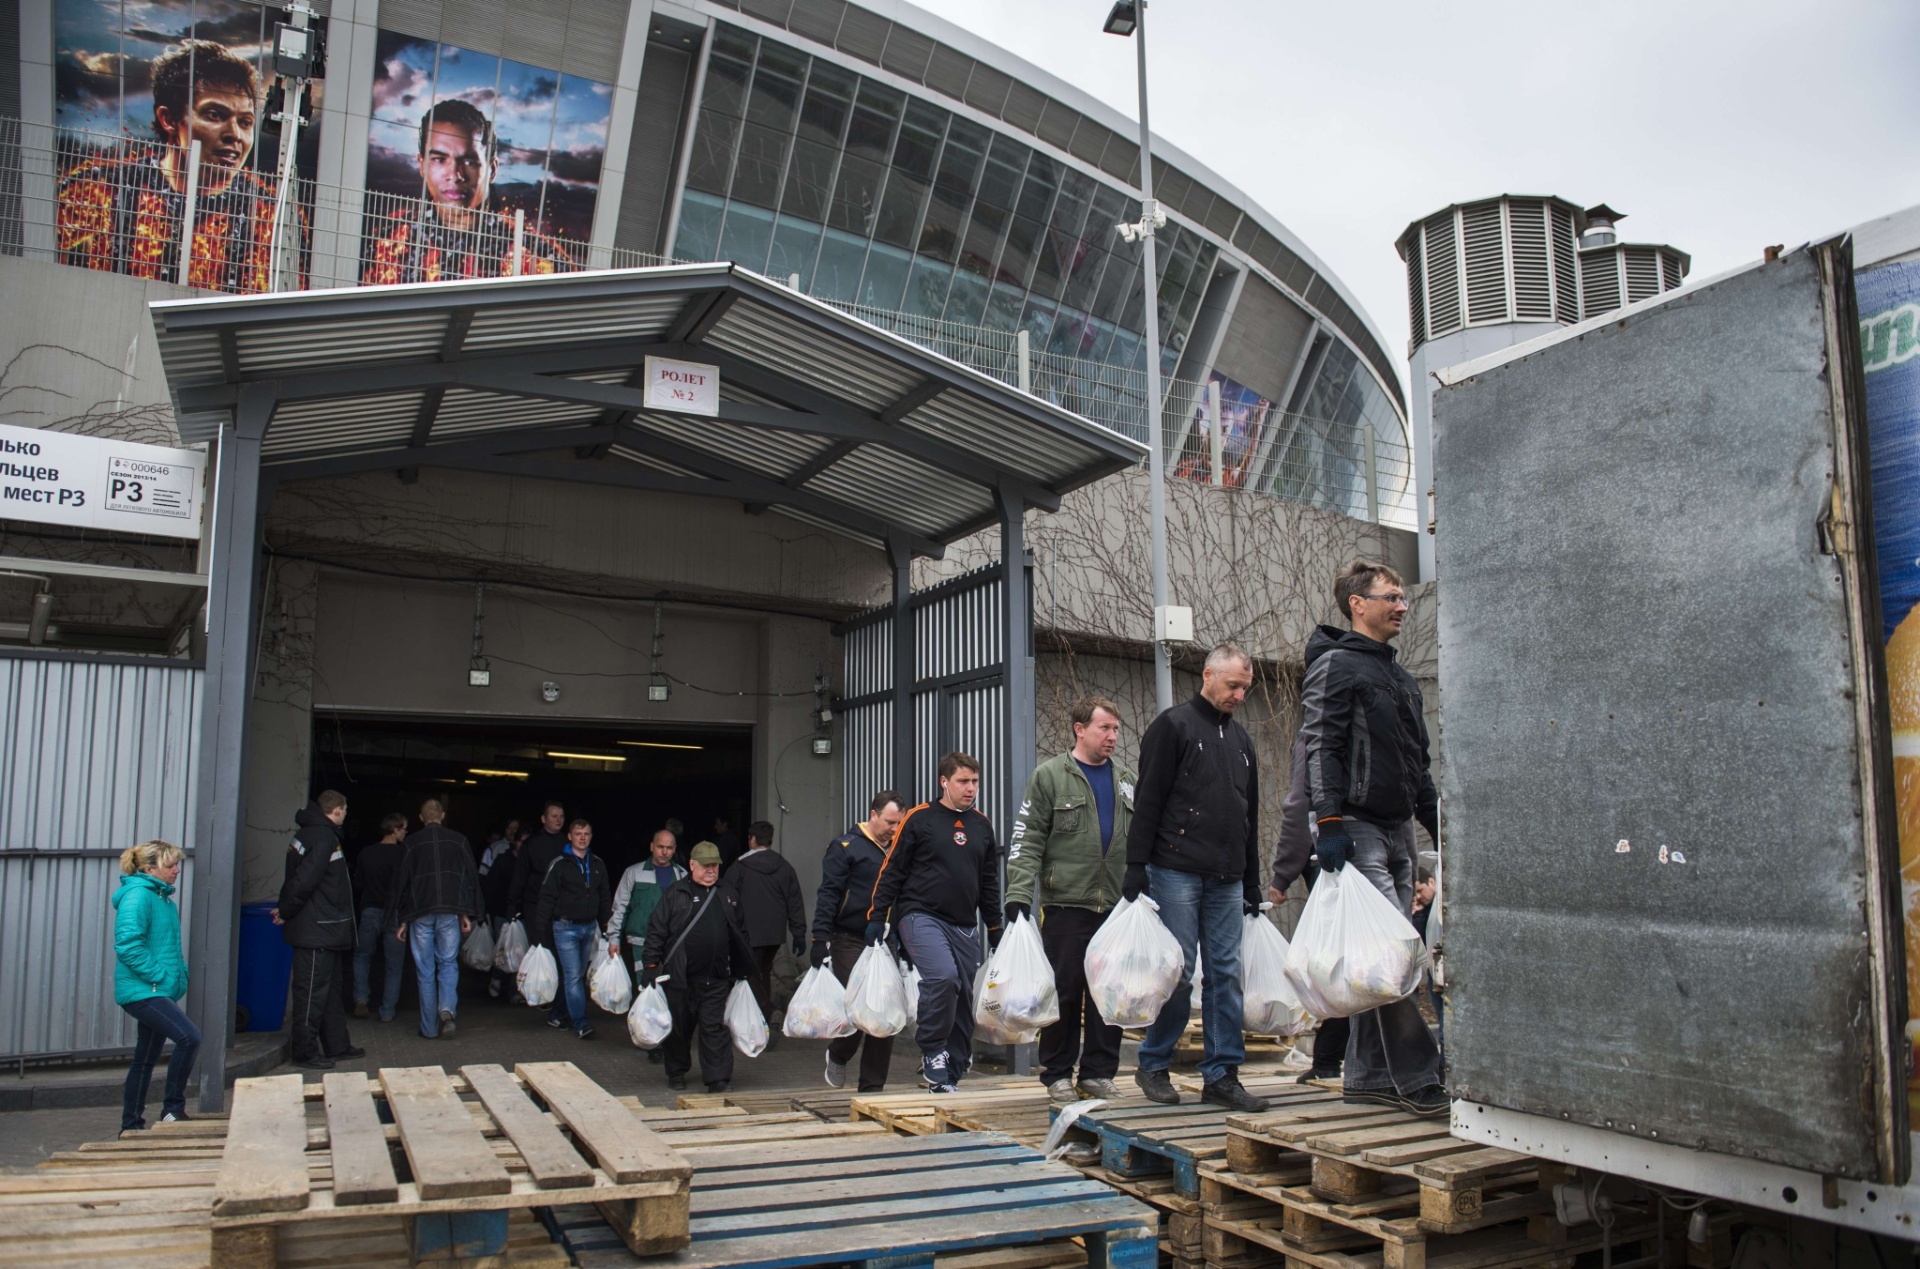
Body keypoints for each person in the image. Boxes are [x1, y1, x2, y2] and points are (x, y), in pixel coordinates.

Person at [1299, 561, 1447, 1117]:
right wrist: (1329, 822)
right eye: (1391, 596)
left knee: (1378, 960)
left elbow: (1418, 760)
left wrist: (1434, 819)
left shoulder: (1400, 677)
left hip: (1397, 828)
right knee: (1392, 956)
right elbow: (1320, 746)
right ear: (1358, 604)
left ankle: (1365, 1076)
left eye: (1404, 597)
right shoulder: (1336, 665)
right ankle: (1420, 1073)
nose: (1402, 606)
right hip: (1356, 826)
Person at [1124, 644, 1270, 1112]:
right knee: (1180, 970)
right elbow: (1148, 799)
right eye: (1232, 685)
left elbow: (1249, 816)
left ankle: (1223, 1074)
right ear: (1208, 676)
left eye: (1245, 688)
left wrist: (1252, 880)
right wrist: (1136, 865)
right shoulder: (1174, 726)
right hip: (1175, 868)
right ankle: (1153, 1063)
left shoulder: (1242, 743)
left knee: (1226, 973)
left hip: (1226, 876)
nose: (1239, 695)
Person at [58, 40, 286, 292]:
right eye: (214, 115)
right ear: (169, 119)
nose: (235, 134)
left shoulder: (269, 215)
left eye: (245, 122)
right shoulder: (100, 189)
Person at [1007, 696, 1134, 1103]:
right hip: (1066, 904)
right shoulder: (1049, 777)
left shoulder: (1126, 779)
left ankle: (1098, 1073)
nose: (1113, 736)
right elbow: (1027, 840)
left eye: (1116, 729)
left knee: (1108, 992)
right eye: (1105, 728)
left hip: (1115, 907)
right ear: (1080, 729)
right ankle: (1057, 1073)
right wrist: (1018, 895)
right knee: (1064, 990)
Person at [866, 752, 1003, 1094]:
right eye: (963, 781)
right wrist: (877, 916)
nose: (970, 788)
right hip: (920, 915)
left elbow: (988, 881)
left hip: (963, 924)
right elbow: (892, 869)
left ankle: (951, 1070)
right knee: (943, 976)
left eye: (974, 781)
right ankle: (933, 1050)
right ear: (944, 782)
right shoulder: (919, 818)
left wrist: (995, 927)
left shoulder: (982, 824)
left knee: (962, 993)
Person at [361, 99, 572, 284]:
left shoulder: (540, 257)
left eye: (469, 161)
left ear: (492, 169)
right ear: (422, 164)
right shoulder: (388, 241)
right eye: (439, 159)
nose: (454, 174)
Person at [642, 841, 756, 1093]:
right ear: (691, 865)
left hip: (716, 978)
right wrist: (650, 965)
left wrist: (742, 966)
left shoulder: (728, 892)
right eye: (705, 866)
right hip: (680, 978)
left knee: (714, 1028)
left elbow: (740, 932)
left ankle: (718, 1079)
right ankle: (677, 1072)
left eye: (715, 865)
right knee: (680, 1029)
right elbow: (656, 931)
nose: (711, 870)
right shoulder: (676, 893)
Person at [812, 792, 905, 1091]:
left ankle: (872, 1088)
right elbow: (828, 894)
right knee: (860, 1008)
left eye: (899, 823)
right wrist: (819, 938)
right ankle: (839, 1054)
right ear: (873, 815)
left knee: (885, 1013)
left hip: (884, 942)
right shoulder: (845, 848)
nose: (894, 829)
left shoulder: (899, 851)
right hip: (849, 939)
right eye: (890, 822)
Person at [1271, 732, 1348, 1083]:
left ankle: (1329, 1061)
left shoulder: (1313, 735)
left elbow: (1300, 806)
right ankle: (1361, 1060)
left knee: (1333, 964)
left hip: (1330, 858)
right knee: (1370, 963)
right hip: (1374, 850)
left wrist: (1283, 875)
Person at [114, 840, 198, 1132]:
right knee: (189, 1038)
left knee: (145, 1059)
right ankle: (172, 1109)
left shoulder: (162, 899)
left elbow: (169, 947)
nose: (177, 870)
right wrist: (161, 977)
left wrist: (178, 976)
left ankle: (131, 1125)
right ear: (150, 869)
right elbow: (128, 946)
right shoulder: (138, 897)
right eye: (170, 865)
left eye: (177, 864)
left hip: (155, 988)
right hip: (143, 990)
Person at [280, 791, 364, 1071]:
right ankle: (304, 1052)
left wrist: (287, 909)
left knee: (328, 991)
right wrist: (285, 910)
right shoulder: (324, 838)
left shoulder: (308, 834)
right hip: (317, 930)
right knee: (312, 993)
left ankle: (337, 1045)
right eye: (346, 809)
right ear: (338, 810)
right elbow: (303, 882)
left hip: (323, 930)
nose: (346, 814)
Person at [389, 799, 482, 1040]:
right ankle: (446, 1010)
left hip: (420, 914)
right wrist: (467, 912)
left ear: (421, 818)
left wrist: (401, 919)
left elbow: (402, 884)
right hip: (450, 912)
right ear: (442, 815)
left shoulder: (411, 843)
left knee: (425, 969)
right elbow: (468, 878)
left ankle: (429, 1029)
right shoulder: (459, 840)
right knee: (448, 963)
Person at [722, 820, 806, 1037]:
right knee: (763, 974)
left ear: (752, 839)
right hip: (775, 934)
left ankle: (768, 1012)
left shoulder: (739, 867)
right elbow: (794, 901)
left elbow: (726, 898)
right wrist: (799, 933)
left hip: (748, 933)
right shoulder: (785, 866)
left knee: (748, 973)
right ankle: (763, 1026)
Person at [609, 829, 686, 1062]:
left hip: (673, 944)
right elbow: (620, 906)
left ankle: (668, 1036)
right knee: (647, 987)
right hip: (641, 941)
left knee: (672, 989)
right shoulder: (633, 873)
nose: (665, 852)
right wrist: (613, 938)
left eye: (670, 848)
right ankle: (652, 1041)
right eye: (661, 847)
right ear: (651, 846)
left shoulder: (682, 874)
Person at [531, 818, 612, 1039]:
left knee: (577, 974)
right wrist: (540, 930)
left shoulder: (597, 864)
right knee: (573, 976)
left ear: (591, 836)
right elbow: (546, 897)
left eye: (586, 833)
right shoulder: (559, 863)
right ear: (570, 836)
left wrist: (607, 925)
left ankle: (557, 1013)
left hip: (589, 927)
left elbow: (604, 896)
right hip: (564, 927)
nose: (582, 837)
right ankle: (581, 1023)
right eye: (578, 833)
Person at [352, 813, 409, 1022]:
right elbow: (407, 887)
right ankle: (387, 1010)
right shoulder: (404, 854)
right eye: (404, 829)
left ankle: (360, 998)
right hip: (394, 913)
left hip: (369, 910)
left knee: (362, 956)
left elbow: (358, 884)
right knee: (394, 964)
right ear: (395, 830)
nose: (405, 833)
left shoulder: (367, 853)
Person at [480, 821, 523, 1000]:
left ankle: (514, 989)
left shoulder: (529, 860)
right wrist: (483, 909)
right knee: (502, 948)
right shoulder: (498, 853)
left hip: (521, 912)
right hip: (500, 910)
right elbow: (485, 880)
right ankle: (497, 978)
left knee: (519, 950)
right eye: (510, 828)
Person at [512, 801, 568, 928]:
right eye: (554, 816)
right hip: (535, 905)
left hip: (562, 907)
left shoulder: (568, 844)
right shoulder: (531, 843)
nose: (559, 820)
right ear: (543, 819)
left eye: (561, 816)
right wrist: (513, 905)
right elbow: (520, 875)